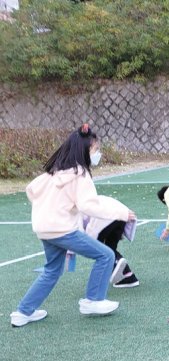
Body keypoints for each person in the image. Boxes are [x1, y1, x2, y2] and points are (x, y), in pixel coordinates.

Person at [10, 124, 135, 327]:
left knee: (52, 270)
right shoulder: (80, 175)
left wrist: (49, 208)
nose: (97, 154)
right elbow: (89, 206)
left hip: (44, 230)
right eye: (95, 150)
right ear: (85, 151)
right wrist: (121, 213)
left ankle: (23, 312)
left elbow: (31, 190)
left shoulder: (51, 174)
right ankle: (93, 300)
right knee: (105, 255)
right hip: (62, 230)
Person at [84, 195, 139, 288]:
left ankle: (117, 262)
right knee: (110, 248)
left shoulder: (74, 206)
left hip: (106, 216)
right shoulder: (87, 198)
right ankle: (129, 277)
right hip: (122, 214)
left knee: (98, 249)